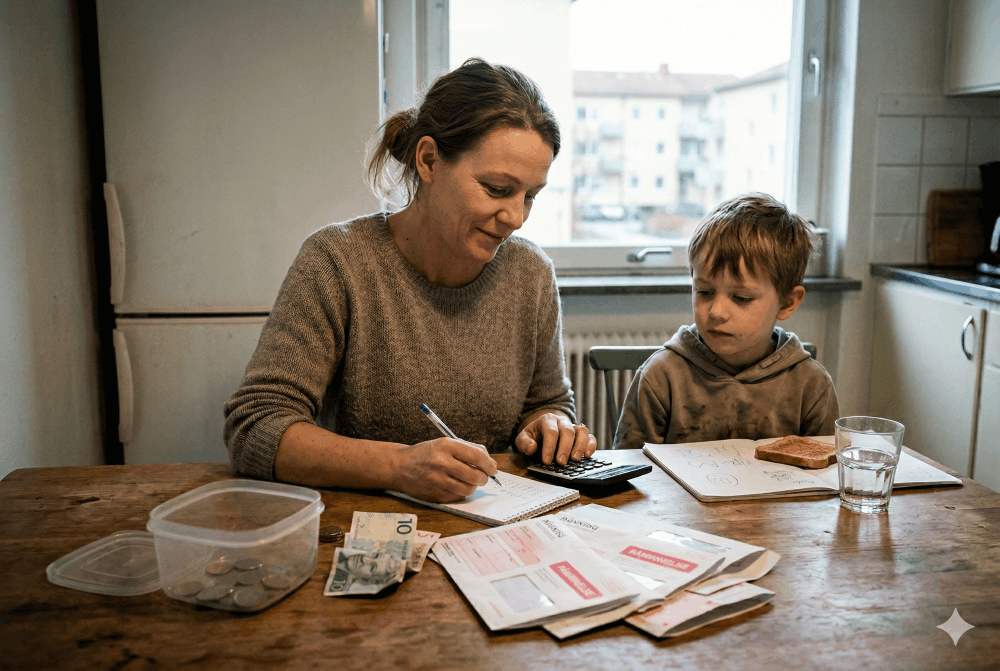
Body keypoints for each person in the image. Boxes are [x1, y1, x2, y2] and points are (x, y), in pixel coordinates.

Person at [224, 58, 596, 503]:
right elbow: (255, 427)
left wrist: (548, 425)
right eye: (497, 189)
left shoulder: (531, 275)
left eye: (530, 196)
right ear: (429, 160)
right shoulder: (338, 262)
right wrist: (399, 466)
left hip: (498, 532)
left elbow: (548, 403)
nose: (515, 218)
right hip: (366, 529)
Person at [613, 193, 840, 450]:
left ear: (788, 302)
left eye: (741, 298)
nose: (716, 312)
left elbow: (826, 478)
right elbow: (630, 473)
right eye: (705, 292)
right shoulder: (661, 377)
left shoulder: (811, 385)